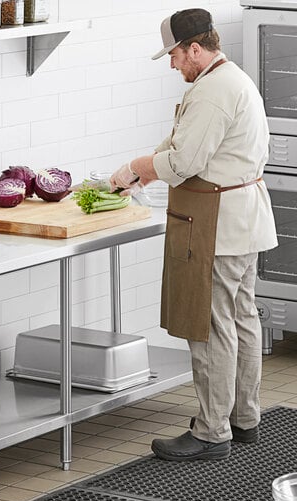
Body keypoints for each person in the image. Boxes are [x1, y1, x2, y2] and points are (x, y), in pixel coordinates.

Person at [110, 8, 278, 461]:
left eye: (175, 55)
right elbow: (182, 142)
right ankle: (243, 417)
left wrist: (135, 168)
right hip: (241, 220)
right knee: (242, 319)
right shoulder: (226, 79)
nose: (172, 64)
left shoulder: (212, 93)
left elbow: (185, 163)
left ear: (196, 50)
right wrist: (144, 171)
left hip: (217, 223)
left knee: (210, 325)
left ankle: (211, 431)